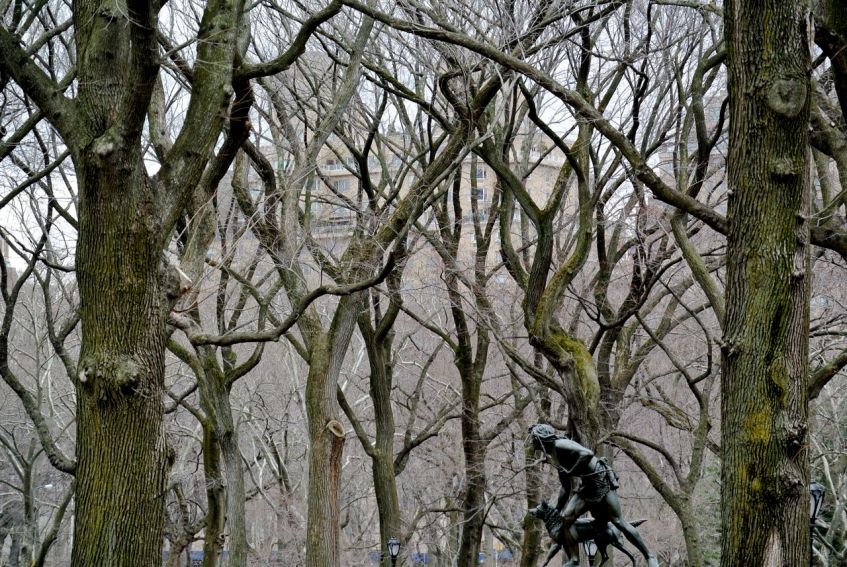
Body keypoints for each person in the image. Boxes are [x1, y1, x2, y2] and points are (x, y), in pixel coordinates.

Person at [528, 423, 659, 567]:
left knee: (617, 521)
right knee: (567, 517)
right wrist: (557, 509)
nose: (532, 442)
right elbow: (565, 487)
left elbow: (587, 453)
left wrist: (571, 470)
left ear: (542, 438)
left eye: (534, 439)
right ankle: (574, 560)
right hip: (587, 488)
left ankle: (649, 555)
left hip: (601, 481)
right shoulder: (554, 456)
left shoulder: (560, 444)